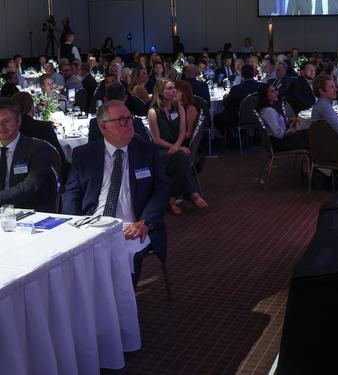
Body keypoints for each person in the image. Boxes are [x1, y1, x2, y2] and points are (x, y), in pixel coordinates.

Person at [62, 100, 168, 286]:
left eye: (129, 118)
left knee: (123, 255)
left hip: (133, 225)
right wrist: (71, 225)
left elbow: (161, 190)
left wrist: (145, 222)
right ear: (103, 126)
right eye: (121, 120)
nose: (129, 124)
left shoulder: (147, 151)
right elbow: (72, 193)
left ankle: (122, 308)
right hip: (93, 224)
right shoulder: (84, 155)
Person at [148, 79, 208, 213]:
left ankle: (172, 199)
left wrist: (177, 146)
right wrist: (175, 147)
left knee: (178, 157)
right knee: (179, 157)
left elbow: (182, 132)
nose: (173, 91)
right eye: (169, 89)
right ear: (160, 92)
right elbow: (156, 139)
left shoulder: (179, 108)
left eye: (173, 88)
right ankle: (192, 194)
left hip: (176, 147)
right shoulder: (153, 112)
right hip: (161, 150)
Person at [0, 98, 55, 211]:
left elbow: (30, 186)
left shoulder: (38, 149)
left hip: (30, 214)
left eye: (6, 121)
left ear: (18, 121)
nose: (1, 127)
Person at [11, 92, 70, 181]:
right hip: (45, 177)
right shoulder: (44, 128)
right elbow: (59, 158)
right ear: (31, 107)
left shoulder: (11, 128)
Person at [257, 83, 309, 152]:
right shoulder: (268, 111)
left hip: (278, 141)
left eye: (275, 90)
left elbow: (276, 126)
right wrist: (291, 130)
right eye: (272, 91)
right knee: (307, 134)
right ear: (265, 95)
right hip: (279, 144)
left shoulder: (267, 109)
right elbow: (279, 133)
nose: (276, 93)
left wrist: (289, 121)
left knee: (305, 132)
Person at [214, 64, 259, 139]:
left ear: (242, 75)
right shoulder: (260, 86)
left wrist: (225, 97)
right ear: (253, 73)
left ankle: (232, 140)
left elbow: (226, 104)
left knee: (216, 117)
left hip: (238, 118)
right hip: (257, 116)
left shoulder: (236, 89)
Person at [175, 79, 199, 144]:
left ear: (184, 93)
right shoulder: (174, 106)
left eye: (177, 91)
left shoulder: (190, 109)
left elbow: (189, 134)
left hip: (182, 142)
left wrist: (172, 137)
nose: (174, 93)